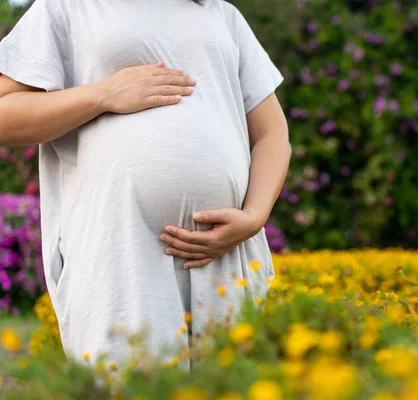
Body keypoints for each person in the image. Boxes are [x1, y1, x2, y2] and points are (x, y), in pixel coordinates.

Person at [0, 0, 290, 373]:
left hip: (225, 256)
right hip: (118, 252)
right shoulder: (70, 6)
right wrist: (103, 94)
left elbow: (273, 133)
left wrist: (253, 217)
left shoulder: (221, 14)